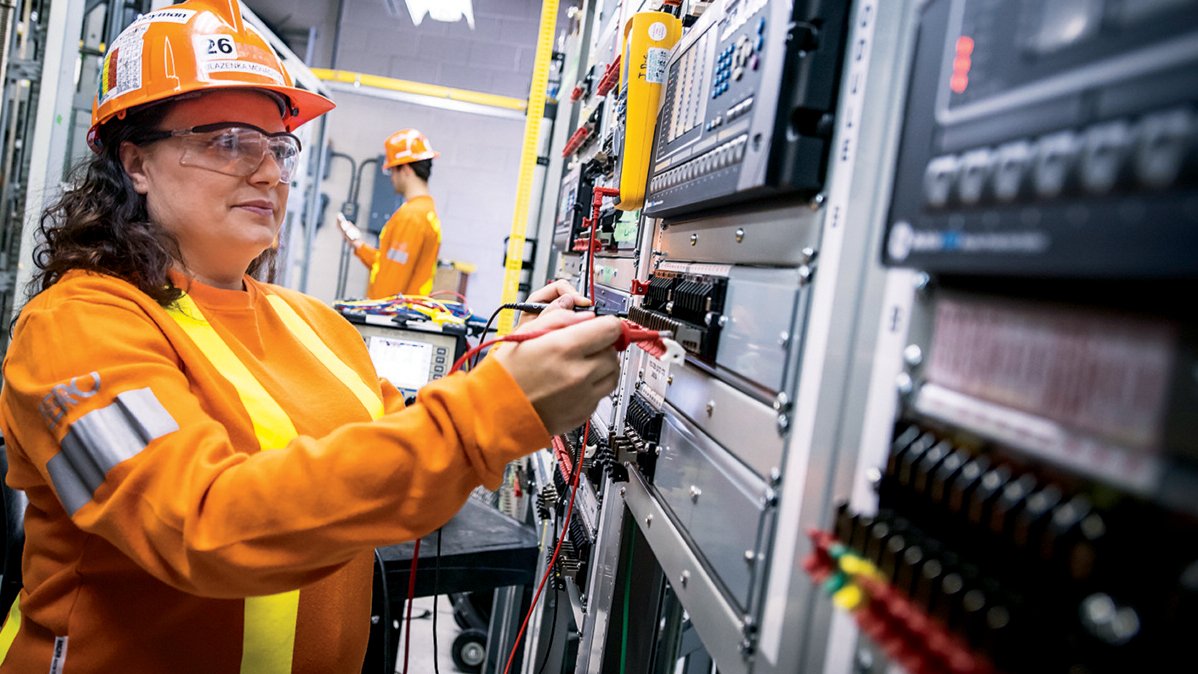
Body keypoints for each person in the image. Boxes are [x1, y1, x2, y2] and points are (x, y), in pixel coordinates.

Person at [0, 1, 620, 672]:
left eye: (277, 148)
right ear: (136, 163)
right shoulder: (76, 329)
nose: (269, 173)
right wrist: (488, 414)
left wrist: (508, 369)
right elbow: (202, 527)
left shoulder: (316, 324)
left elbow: (398, 455)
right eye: (228, 141)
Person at [338, 128, 443, 298]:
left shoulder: (411, 217)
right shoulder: (425, 212)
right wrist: (357, 244)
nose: (392, 177)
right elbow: (388, 266)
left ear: (407, 169)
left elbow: (389, 286)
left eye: (393, 170)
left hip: (391, 318)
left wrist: (371, 314)